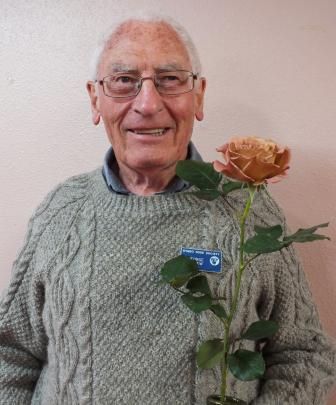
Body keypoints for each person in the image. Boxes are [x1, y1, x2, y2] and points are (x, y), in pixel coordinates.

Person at [0, 13, 335, 405]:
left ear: (199, 95)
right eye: (124, 81)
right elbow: (12, 356)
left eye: (170, 79)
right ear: (95, 99)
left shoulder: (248, 210)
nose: (147, 103)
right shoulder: (61, 211)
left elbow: (304, 354)